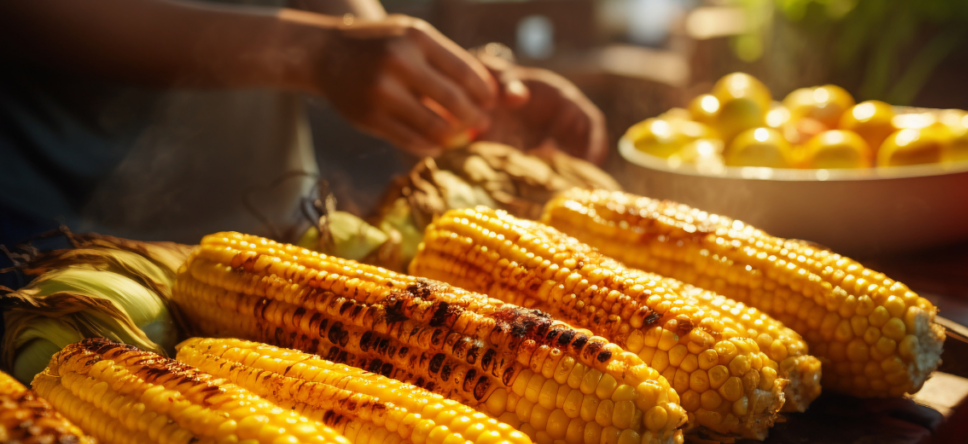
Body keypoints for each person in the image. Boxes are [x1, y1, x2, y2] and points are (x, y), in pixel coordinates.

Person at [0, 0, 607, 246]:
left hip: (268, 230)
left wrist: (435, 87)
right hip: (48, 230)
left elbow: (335, 13)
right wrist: (314, 54)